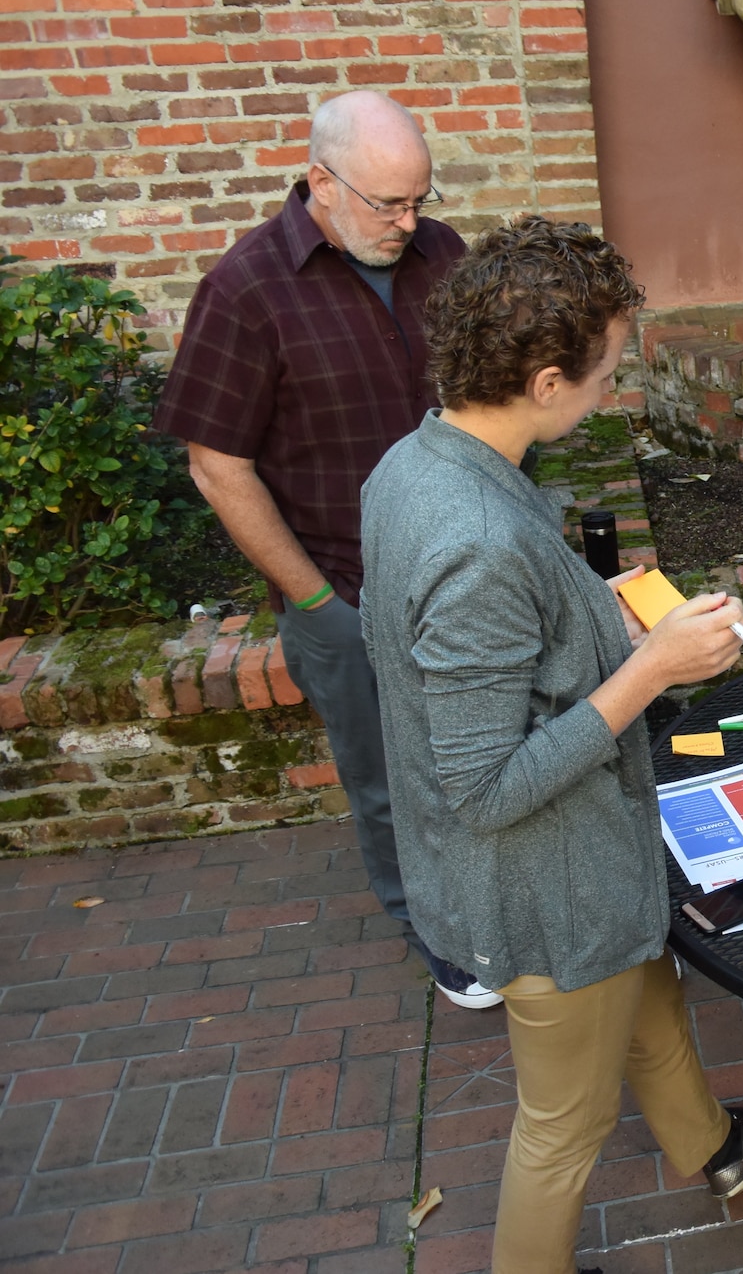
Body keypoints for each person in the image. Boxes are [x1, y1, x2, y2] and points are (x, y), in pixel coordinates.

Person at [360, 215, 743, 1272]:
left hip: (582, 883)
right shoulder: (478, 537)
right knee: (561, 1128)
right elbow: (485, 784)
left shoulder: (418, 460)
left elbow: (476, 650)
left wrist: (598, 613)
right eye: (605, 372)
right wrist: (649, 668)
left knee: (644, 980)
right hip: (538, 882)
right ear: (548, 380)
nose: (612, 389)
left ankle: (713, 1143)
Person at [151, 91, 495, 1008]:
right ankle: (438, 930)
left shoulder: (445, 256)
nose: (407, 222)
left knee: (488, 754)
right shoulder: (246, 289)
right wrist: (316, 608)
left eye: (418, 198)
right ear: (320, 182)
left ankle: (499, 900)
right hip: (344, 591)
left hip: (467, 577)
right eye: (387, 203)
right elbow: (217, 465)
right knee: (392, 785)